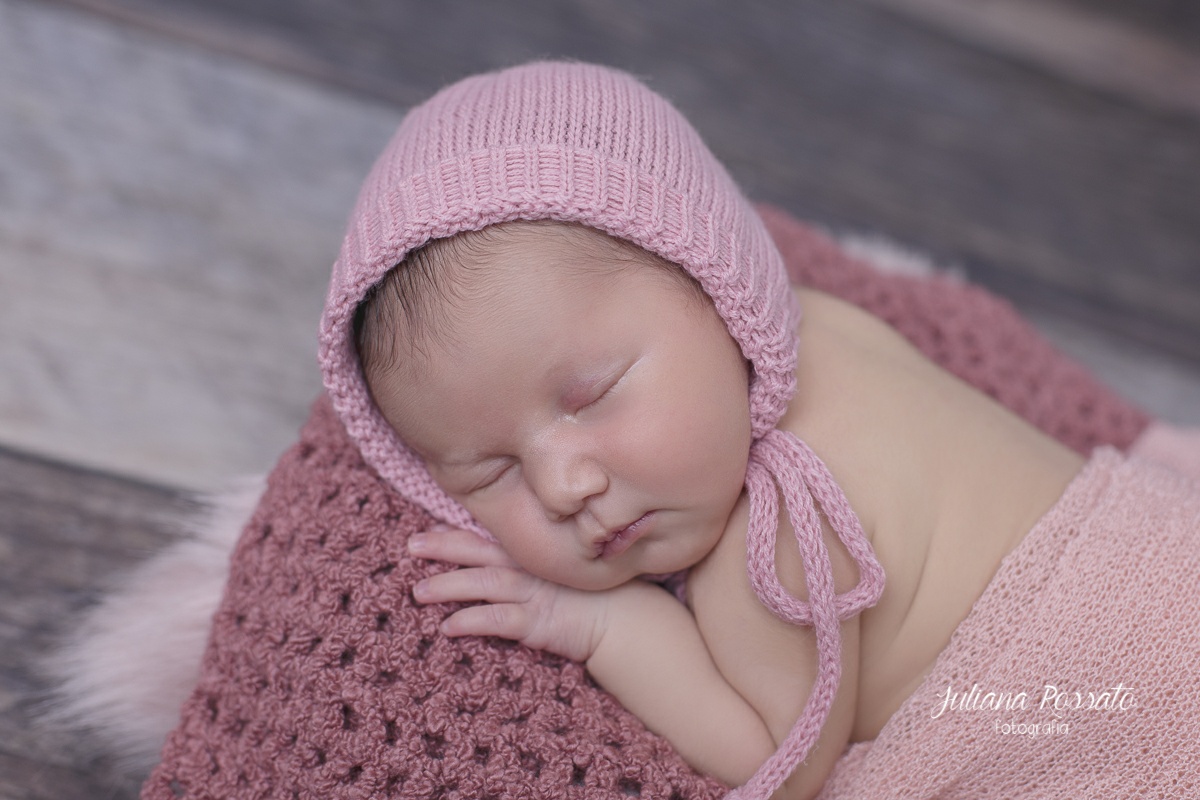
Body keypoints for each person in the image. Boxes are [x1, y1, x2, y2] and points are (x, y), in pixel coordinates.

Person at [317, 61, 1197, 799]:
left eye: (592, 395)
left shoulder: (772, 537)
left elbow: (778, 759)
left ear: (721, 289)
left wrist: (602, 626)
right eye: (490, 473)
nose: (562, 486)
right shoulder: (834, 324)